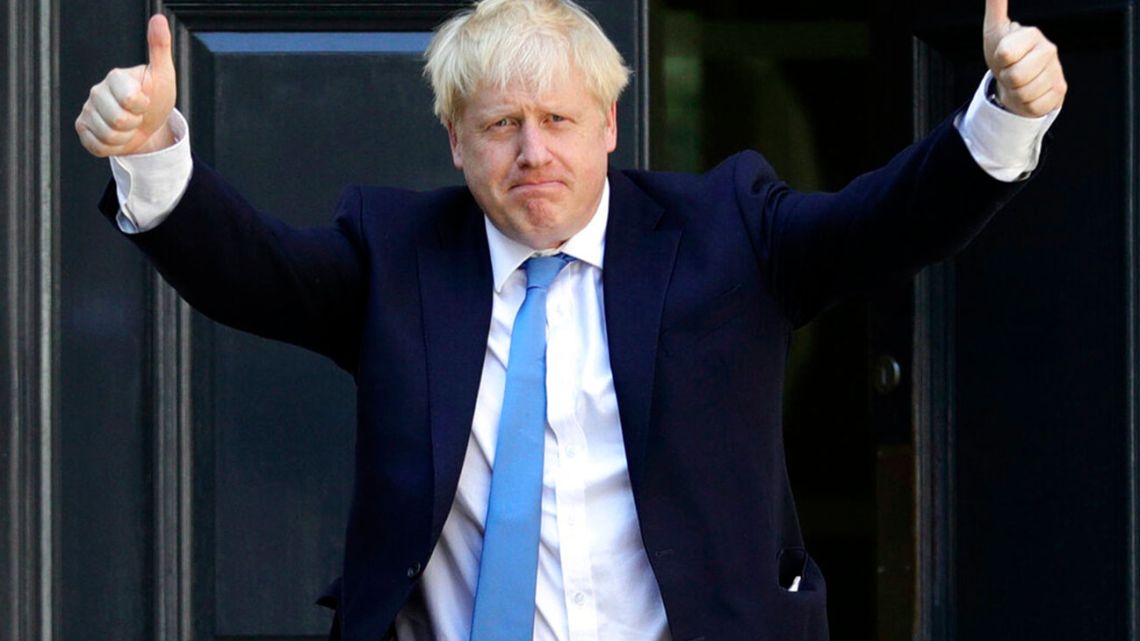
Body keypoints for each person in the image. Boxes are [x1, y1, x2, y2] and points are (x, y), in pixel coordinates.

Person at [74, 0, 1066, 640]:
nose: (533, 151)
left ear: (609, 128)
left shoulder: (726, 230)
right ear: (455, 141)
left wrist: (1003, 115)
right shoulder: (399, 252)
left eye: (558, 120)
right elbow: (255, 272)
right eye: (502, 125)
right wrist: (155, 146)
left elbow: (881, 224)